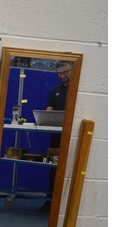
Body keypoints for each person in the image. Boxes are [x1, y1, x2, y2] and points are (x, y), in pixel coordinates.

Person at [40, 61, 72, 213]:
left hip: (71, 136)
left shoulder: (78, 90)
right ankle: (49, 203)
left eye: (65, 73)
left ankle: (63, 205)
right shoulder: (55, 91)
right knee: (53, 168)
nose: (62, 76)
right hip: (56, 135)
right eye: (59, 73)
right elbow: (48, 112)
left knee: (68, 168)